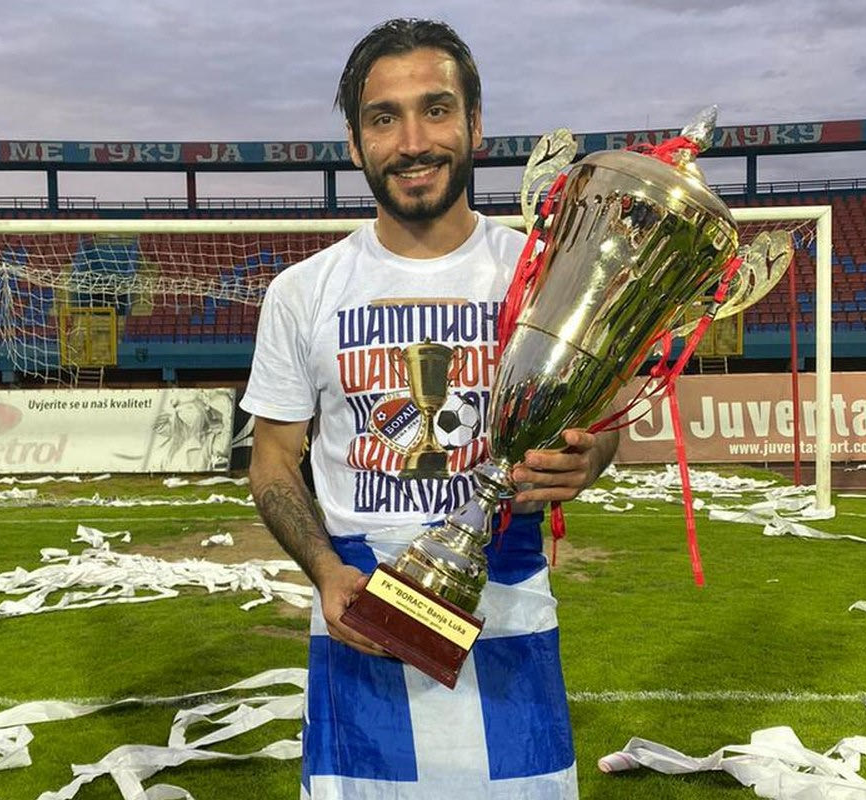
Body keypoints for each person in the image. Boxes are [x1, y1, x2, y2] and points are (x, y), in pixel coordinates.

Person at [241, 18, 618, 799]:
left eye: (436, 110)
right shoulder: (302, 293)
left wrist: (590, 458)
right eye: (385, 118)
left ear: (475, 124)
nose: (413, 142)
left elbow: (604, 425)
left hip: (509, 613)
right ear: (356, 143)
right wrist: (324, 572)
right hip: (362, 618)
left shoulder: (544, 275)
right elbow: (273, 461)